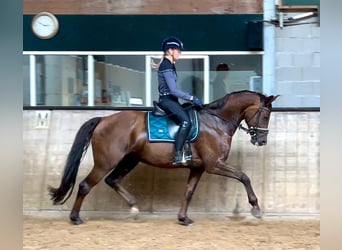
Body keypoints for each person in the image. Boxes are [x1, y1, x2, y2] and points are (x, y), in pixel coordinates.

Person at [155, 36, 203, 165]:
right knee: (186, 122)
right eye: (179, 51)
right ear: (170, 50)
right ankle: (177, 154)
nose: (180, 53)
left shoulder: (170, 65)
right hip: (167, 100)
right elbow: (173, 90)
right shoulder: (166, 65)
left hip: (172, 100)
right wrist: (192, 97)